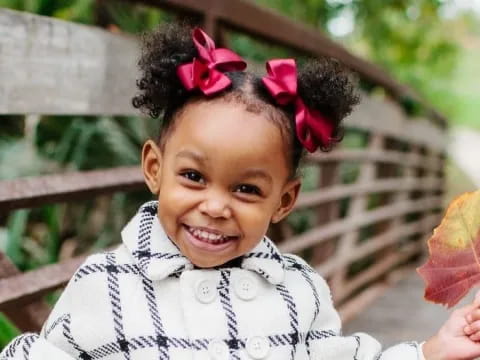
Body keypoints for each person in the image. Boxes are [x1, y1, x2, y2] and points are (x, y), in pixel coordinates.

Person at [2, 22, 480, 360]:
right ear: (154, 167)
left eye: (247, 189)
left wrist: (431, 352)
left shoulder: (298, 290)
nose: (213, 206)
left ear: (284, 201)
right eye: (193, 177)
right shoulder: (104, 285)